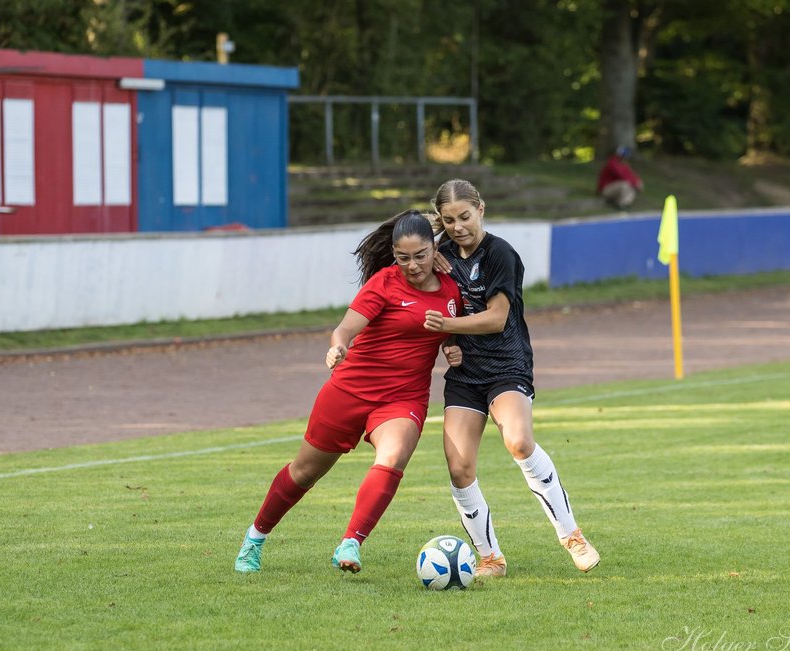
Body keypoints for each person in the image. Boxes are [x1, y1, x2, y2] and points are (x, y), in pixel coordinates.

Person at [234, 210, 463, 574]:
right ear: (393, 254)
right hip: (350, 390)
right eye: (403, 257)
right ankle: (254, 539)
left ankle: (351, 542)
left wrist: (453, 348)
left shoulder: (452, 290)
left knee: (393, 456)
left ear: (435, 249)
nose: (413, 265)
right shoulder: (384, 283)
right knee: (304, 473)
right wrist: (338, 346)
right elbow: (344, 329)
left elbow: (450, 333)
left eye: (420, 255)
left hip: (403, 398)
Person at [423, 178, 599, 577]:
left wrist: (447, 325)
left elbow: (496, 318)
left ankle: (571, 535)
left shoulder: (501, 253)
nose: (458, 226)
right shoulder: (441, 254)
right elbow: (433, 296)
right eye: (448, 220)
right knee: (458, 467)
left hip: (506, 364)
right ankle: (490, 558)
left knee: (519, 442)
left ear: (480, 209)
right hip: (465, 373)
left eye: (465, 216)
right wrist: (447, 342)